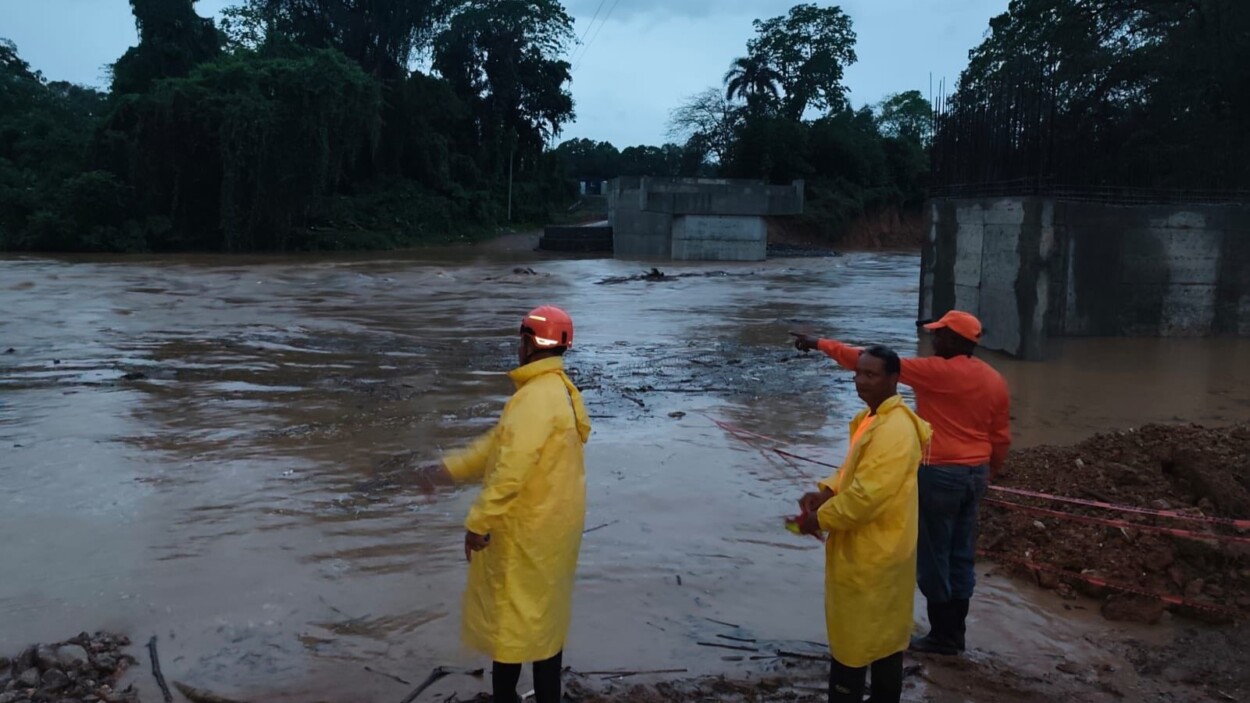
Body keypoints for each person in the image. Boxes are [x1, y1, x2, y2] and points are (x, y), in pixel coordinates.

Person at [793, 310, 1011, 656]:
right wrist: (989, 472)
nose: (933, 339)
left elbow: (866, 360)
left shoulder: (935, 372)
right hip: (976, 471)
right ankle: (955, 631)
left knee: (933, 551)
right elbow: (1001, 436)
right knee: (961, 551)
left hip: (939, 472)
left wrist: (819, 343)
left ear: (955, 340)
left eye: (939, 334)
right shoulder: (994, 379)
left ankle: (941, 635)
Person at [417, 305, 591, 703]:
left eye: (521, 339)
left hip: (527, 536)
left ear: (530, 343)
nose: (517, 347)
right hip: (555, 532)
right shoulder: (560, 392)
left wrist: (478, 522)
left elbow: (509, 471)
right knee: (543, 624)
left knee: (510, 631)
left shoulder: (532, 401)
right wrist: (446, 470)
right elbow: (497, 447)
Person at [797, 345, 931, 703]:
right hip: (877, 548)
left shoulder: (895, 432)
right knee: (883, 632)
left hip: (875, 551)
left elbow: (865, 499)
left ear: (893, 379)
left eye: (871, 375)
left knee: (853, 641)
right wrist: (825, 491)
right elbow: (853, 473)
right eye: (858, 373)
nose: (861, 381)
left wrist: (818, 519)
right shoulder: (872, 420)